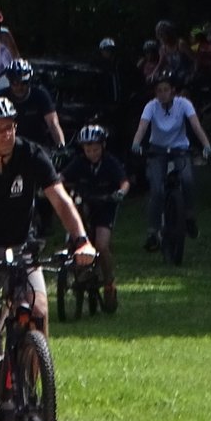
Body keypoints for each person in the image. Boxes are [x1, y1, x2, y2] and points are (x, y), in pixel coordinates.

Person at [0, 97, 97, 419]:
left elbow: (61, 200)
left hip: (19, 244)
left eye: (9, 128)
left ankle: (32, 391)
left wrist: (81, 241)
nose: (5, 135)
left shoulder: (32, 154)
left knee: (38, 309)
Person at [129, 73, 211, 251]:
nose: (162, 94)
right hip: (157, 151)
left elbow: (195, 126)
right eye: (159, 90)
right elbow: (142, 127)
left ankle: (189, 217)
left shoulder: (184, 104)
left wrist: (206, 145)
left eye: (166, 90)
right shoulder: (151, 106)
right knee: (157, 190)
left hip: (180, 150)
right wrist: (136, 143)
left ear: (173, 91)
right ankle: (153, 232)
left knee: (187, 180)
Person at [59, 125, 129, 309]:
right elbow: (61, 177)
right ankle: (77, 270)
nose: (92, 153)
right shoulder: (79, 162)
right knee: (72, 236)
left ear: (103, 146)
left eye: (96, 149)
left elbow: (124, 182)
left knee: (102, 245)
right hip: (84, 203)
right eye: (88, 149)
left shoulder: (110, 163)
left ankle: (108, 283)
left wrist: (120, 193)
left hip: (105, 206)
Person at [0, 59, 68, 158]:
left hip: (37, 147)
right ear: (9, 82)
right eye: (15, 83)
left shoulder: (40, 96)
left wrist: (61, 146)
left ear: (29, 81)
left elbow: (53, 123)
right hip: (8, 148)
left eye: (24, 83)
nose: (19, 87)